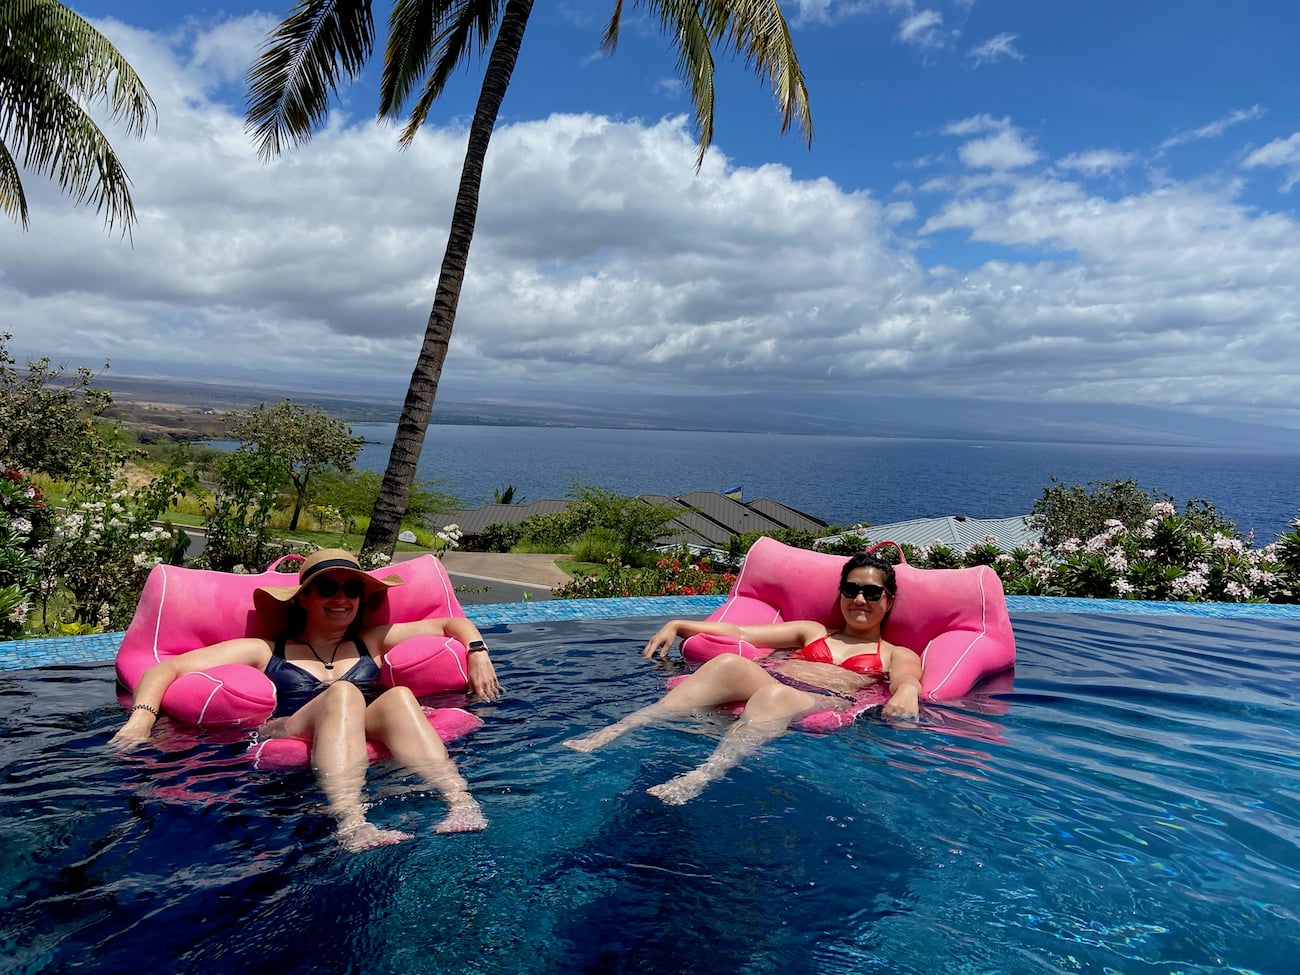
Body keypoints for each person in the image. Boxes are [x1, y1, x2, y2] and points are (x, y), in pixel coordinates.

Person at [111, 548, 500, 850]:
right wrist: (141, 719)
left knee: (398, 696)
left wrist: (477, 651)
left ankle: (461, 803)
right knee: (344, 693)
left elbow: (450, 623)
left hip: (354, 723)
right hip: (286, 727)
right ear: (303, 598)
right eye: (328, 588)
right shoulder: (265, 649)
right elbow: (166, 669)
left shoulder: (372, 642)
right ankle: (352, 823)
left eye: (352, 589)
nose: (342, 598)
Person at [564, 552, 923, 804]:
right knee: (727, 663)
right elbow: (742, 632)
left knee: (776, 697)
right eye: (851, 589)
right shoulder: (813, 632)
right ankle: (616, 730)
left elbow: (907, 679)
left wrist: (906, 693)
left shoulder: (894, 652)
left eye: (872, 593)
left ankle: (700, 776)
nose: (859, 599)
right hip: (775, 682)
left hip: (821, 700)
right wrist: (677, 624)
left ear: (888, 601)